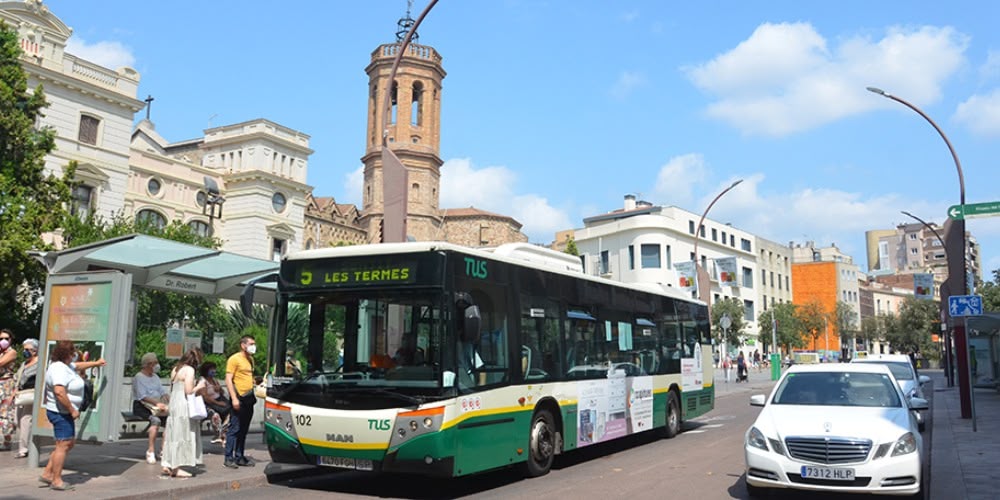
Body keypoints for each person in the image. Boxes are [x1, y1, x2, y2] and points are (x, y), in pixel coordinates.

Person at [40, 341, 103, 491]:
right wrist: (72, 410)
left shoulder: (65, 366)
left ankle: (48, 473)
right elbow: (59, 391)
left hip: (62, 412)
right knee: (63, 445)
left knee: (67, 443)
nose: (75, 355)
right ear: (67, 354)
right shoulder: (59, 370)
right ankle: (56, 480)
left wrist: (97, 363)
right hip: (61, 412)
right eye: (73, 353)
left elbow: (79, 366)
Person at [161, 347, 206, 478]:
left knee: (172, 434)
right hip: (183, 404)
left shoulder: (176, 369)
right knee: (182, 434)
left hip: (174, 403)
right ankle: (177, 467)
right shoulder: (189, 370)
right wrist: (200, 386)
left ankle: (167, 463)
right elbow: (188, 391)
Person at [224, 335, 257, 468]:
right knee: (234, 428)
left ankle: (239, 456)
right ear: (243, 345)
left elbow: (249, 377)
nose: (253, 346)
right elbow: (228, 379)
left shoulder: (250, 359)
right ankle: (228, 457)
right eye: (251, 344)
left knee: (243, 429)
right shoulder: (234, 359)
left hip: (249, 398)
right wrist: (234, 398)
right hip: (239, 398)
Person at [133, 352, 168, 464]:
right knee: (155, 420)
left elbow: (162, 391)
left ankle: (163, 450)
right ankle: (151, 450)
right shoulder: (139, 377)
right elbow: (142, 396)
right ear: (148, 364)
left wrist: (169, 399)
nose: (157, 365)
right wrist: (156, 403)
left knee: (170, 422)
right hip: (142, 406)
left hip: (157, 405)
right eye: (155, 363)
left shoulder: (155, 377)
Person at [13, 338, 40, 458]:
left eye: (28, 349)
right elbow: (18, 377)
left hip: (32, 394)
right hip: (21, 394)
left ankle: (23, 449)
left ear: (35, 351)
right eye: (24, 349)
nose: (25, 352)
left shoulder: (39, 363)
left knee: (25, 420)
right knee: (17, 420)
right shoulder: (24, 363)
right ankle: (29, 442)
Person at [199, 361, 230, 445]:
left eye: (214, 369)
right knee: (215, 415)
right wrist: (218, 403)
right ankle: (218, 434)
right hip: (209, 404)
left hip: (219, 400)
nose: (213, 371)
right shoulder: (202, 381)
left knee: (232, 413)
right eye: (211, 369)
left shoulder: (214, 380)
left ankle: (222, 431)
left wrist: (219, 389)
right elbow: (205, 397)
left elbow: (222, 392)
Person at [0, 328, 18, 450]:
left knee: (5, 413)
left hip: (6, 384)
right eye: (1, 338)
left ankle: (7, 441)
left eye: (6, 338)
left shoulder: (12, 352)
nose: (3, 341)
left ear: (11, 340)